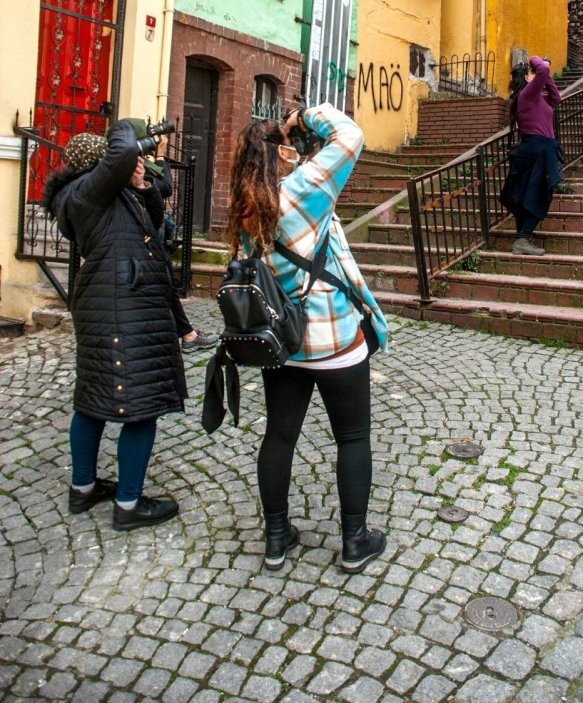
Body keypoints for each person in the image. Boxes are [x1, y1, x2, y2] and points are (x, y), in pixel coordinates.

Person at [226, 102, 389, 574]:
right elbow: (349, 135)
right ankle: (355, 540)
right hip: (335, 338)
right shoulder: (302, 190)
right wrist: (302, 116)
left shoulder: (245, 207)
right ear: (281, 153)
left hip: (282, 340)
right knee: (353, 437)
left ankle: (277, 538)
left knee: (279, 436)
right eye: (288, 146)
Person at [41, 120, 187, 531]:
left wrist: (142, 188)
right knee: (139, 405)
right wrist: (127, 127)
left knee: (92, 398)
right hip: (121, 307)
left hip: (111, 304)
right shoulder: (87, 191)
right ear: (98, 165)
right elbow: (122, 152)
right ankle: (128, 505)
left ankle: (84, 488)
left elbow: (155, 225)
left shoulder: (105, 195)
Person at [128, 121, 218, 354]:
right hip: (142, 232)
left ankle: (187, 333)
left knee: (163, 283)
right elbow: (166, 187)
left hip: (144, 231)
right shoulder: (134, 165)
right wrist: (160, 156)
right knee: (160, 283)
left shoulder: (134, 164)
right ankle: (186, 334)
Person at [500, 55, 563, 255]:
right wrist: (536, 59)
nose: (537, 75)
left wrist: (547, 76)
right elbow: (542, 71)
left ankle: (522, 239)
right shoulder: (526, 95)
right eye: (532, 73)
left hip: (539, 149)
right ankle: (523, 239)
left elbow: (556, 98)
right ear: (527, 78)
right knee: (540, 194)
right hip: (537, 149)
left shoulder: (537, 99)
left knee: (526, 196)